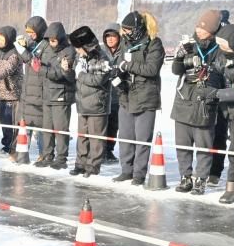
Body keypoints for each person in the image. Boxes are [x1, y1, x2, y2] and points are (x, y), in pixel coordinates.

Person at [170, 10, 225, 195]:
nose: (199, 31)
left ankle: (201, 179)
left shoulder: (220, 48)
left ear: (213, 30)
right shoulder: (190, 45)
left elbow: (222, 76)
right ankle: (185, 177)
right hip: (184, 100)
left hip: (204, 103)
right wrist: (179, 57)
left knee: (204, 145)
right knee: (183, 144)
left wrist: (207, 71)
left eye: (204, 28)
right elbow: (176, 70)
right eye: (198, 27)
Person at [112, 11, 165, 186]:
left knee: (142, 139)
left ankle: (139, 174)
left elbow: (151, 69)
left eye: (128, 29)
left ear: (137, 29)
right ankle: (126, 170)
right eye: (124, 29)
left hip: (146, 97)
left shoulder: (154, 43)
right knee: (125, 136)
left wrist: (128, 65)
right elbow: (119, 62)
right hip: (126, 96)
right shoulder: (125, 43)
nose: (125, 32)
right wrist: (118, 73)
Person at [207, 23, 234, 203]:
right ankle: (232, 188)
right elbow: (216, 72)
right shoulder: (223, 56)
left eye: (225, 46)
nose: (222, 49)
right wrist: (210, 87)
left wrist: (220, 94)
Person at [68, 26, 113, 177]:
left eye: (78, 48)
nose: (76, 51)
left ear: (86, 46)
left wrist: (80, 75)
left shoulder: (102, 58)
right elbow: (74, 74)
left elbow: (98, 80)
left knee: (96, 138)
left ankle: (93, 166)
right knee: (82, 136)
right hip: (82, 103)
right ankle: (80, 164)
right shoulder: (81, 57)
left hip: (97, 104)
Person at [38, 22, 77, 170]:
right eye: (49, 40)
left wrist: (42, 69)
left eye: (54, 40)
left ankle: (61, 158)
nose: (51, 43)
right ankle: (47, 156)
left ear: (60, 38)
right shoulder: (46, 48)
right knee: (47, 128)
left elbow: (62, 74)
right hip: (47, 94)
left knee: (60, 129)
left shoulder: (69, 51)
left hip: (61, 95)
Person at [15, 16, 49, 162]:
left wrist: (25, 51)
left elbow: (37, 63)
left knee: (40, 124)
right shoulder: (32, 43)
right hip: (28, 88)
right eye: (28, 32)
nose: (30, 35)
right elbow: (25, 59)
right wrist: (23, 47)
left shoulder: (47, 45)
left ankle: (44, 155)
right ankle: (22, 154)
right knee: (25, 123)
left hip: (40, 90)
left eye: (32, 32)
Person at [0, 26, 23, 157]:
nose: (0, 42)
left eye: (2, 39)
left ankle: (12, 148)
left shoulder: (14, 54)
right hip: (1, 94)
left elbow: (7, 70)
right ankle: (6, 145)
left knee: (11, 123)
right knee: (4, 122)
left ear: (9, 39)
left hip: (12, 94)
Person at [101, 24, 122, 163]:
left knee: (114, 125)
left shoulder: (124, 51)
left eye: (113, 36)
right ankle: (99, 150)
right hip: (103, 94)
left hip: (118, 95)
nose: (110, 39)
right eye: (107, 36)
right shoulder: (101, 51)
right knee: (102, 125)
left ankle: (109, 150)